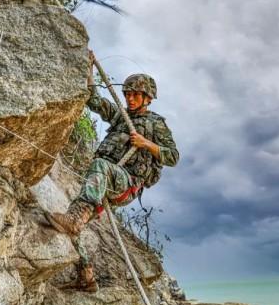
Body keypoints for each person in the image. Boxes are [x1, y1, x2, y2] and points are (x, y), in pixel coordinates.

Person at [45, 50, 179, 292]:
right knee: (74, 218)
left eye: (135, 94)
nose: (130, 98)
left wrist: (146, 144)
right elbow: (94, 100)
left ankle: (76, 219)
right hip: (106, 181)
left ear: (147, 97)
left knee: (95, 175)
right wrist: (89, 69)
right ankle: (86, 277)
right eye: (127, 94)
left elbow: (173, 156)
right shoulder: (121, 117)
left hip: (126, 182)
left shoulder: (156, 124)